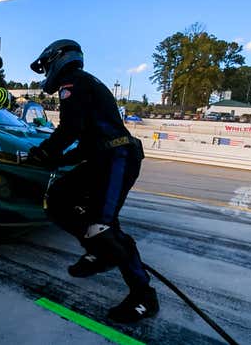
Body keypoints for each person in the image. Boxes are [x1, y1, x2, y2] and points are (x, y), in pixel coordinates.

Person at [28, 39, 159, 323]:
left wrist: (45, 152)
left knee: (102, 225)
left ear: (57, 59)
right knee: (58, 201)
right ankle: (101, 253)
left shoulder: (72, 83)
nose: (46, 71)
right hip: (104, 158)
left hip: (117, 159)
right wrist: (56, 160)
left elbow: (70, 129)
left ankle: (144, 295)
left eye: (47, 65)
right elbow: (86, 143)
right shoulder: (83, 82)